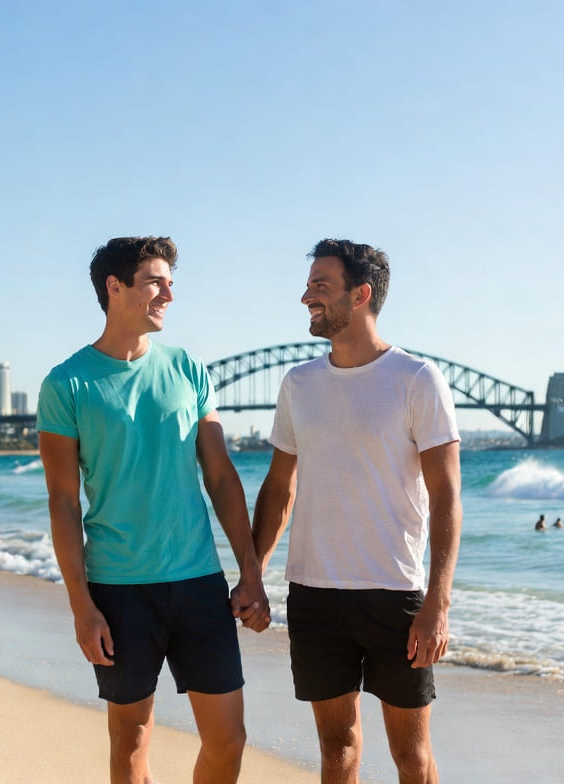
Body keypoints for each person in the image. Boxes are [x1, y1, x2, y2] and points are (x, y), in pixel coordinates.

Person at [37, 236, 270, 783]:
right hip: (119, 589)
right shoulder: (66, 383)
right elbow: (64, 503)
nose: (168, 293)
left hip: (198, 582)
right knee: (131, 740)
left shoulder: (187, 368)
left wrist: (252, 571)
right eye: (155, 282)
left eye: (171, 283)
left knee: (229, 740)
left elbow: (220, 476)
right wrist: (81, 606)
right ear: (115, 287)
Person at [252, 238, 462, 784]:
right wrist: (254, 574)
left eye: (320, 286)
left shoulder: (417, 379)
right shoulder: (298, 383)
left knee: (411, 757)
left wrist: (437, 601)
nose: (305, 297)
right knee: (336, 747)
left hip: (394, 593)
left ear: (361, 294)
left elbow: (447, 497)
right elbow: (279, 488)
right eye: (308, 286)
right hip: (314, 595)